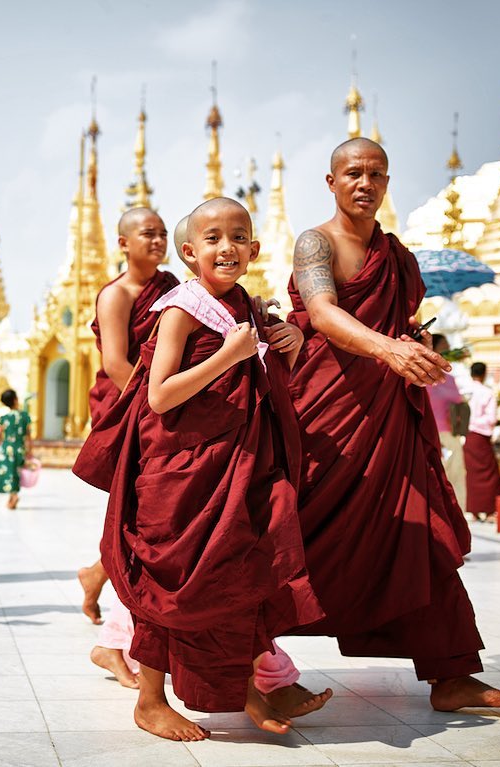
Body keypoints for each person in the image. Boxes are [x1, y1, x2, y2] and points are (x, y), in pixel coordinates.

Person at [285, 136, 500, 711]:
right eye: (353, 173)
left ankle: (452, 673)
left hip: (387, 418)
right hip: (328, 419)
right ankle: (245, 663)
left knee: (419, 536)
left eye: (376, 175)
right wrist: (386, 349)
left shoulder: (397, 256)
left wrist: (412, 347)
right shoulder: (316, 243)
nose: (365, 184)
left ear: (387, 184)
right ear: (332, 181)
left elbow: (400, 323)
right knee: (296, 537)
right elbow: (321, 313)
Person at [78, 198, 323, 741]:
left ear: (254, 250)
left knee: (240, 573)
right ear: (190, 253)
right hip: (179, 469)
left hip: (235, 465)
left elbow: (264, 382)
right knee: (174, 584)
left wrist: (291, 345)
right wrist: (227, 358)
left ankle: (249, 688)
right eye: (212, 238)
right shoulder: (181, 310)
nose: (226, 248)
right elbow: (160, 396)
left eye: (238, 237)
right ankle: (150, 700)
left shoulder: (247, 308)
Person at [77, 207, 179, 626]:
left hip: (159, 397)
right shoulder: (115, 295)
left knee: (148, 512)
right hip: (128, 404)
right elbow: (118, 363)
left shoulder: (171, 286)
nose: (157, 241)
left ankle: (98, 573)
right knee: (139, 509)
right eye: (147, 234)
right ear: (124, 243)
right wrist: (156, 406)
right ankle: (107, 587)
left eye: (162, 234)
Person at [427, 334, 468, 511]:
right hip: (429, 435)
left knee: (457, 475)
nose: (447, 350)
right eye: (443, 346)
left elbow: (459, 405)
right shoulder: (421, 377)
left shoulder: (450, 380)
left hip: (451, 435)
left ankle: (458, 512)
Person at [464, 361, 500, 521]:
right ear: (484, 373)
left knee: (471, 473)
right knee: (489, 473)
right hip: (481, 435)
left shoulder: (463, 391)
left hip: (467, 436)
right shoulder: (487, 392)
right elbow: (491, 418)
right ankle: (488, 511)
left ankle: (473, 510)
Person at [0, 389, 33, 510]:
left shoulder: (4, 418)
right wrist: (30, 452)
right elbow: (28, 437)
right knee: (15, 473)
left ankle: (13, 496)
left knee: (9, 472)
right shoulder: (24, 416)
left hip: (6, 450)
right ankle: (13, 496)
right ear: (15, 399)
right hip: (19, 449)